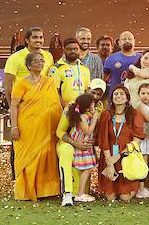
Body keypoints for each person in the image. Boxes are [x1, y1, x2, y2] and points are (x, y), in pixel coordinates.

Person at [9, 51, 62, 201]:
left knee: (47, 155)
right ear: (29, 65)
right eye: (37, 61)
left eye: (42, 60)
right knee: (28, 157)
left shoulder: (49, 82)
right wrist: (14, 127)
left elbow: (56, 102)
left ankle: (46, 191)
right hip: (27, 126)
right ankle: (27, 191)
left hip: (47, 126)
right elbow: (14, 106)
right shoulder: (21, 83)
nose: (40, 63)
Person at [95, 85, 146, 202]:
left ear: (127, 98)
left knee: (125, 197)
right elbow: (103, 140)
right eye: (116, 94)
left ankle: (134, 187)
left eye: (122, 94)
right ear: (111, 98)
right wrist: (110, 163)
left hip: (126, 157)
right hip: (109, 156)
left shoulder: (134, 114)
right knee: (110, 198)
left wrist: (119, 156)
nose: (119, 96)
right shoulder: (106, 114)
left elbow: (137, 140)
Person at [60, 93, 99, 204]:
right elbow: (88, 131)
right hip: (82, 146)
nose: (94, 105)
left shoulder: (86, 115)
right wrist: (95, 118)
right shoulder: (82, 117)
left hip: (86, 146)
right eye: (92, 104)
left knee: (87, 169)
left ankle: (81, 192)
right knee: (86, 169)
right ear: (87, 106)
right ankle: (80, 193)